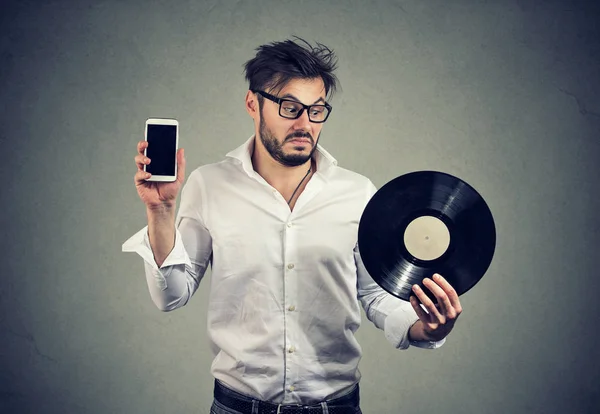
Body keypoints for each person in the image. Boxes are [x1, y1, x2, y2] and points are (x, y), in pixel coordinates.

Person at [122, 37, 462, 414]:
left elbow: (375, 294)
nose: (305, 124)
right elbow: (171, 295)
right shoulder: (209, 185)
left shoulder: (358, 192)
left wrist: (425, 328)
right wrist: (161, 211)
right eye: (289, 107)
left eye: (316, 110)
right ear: (253, 104)